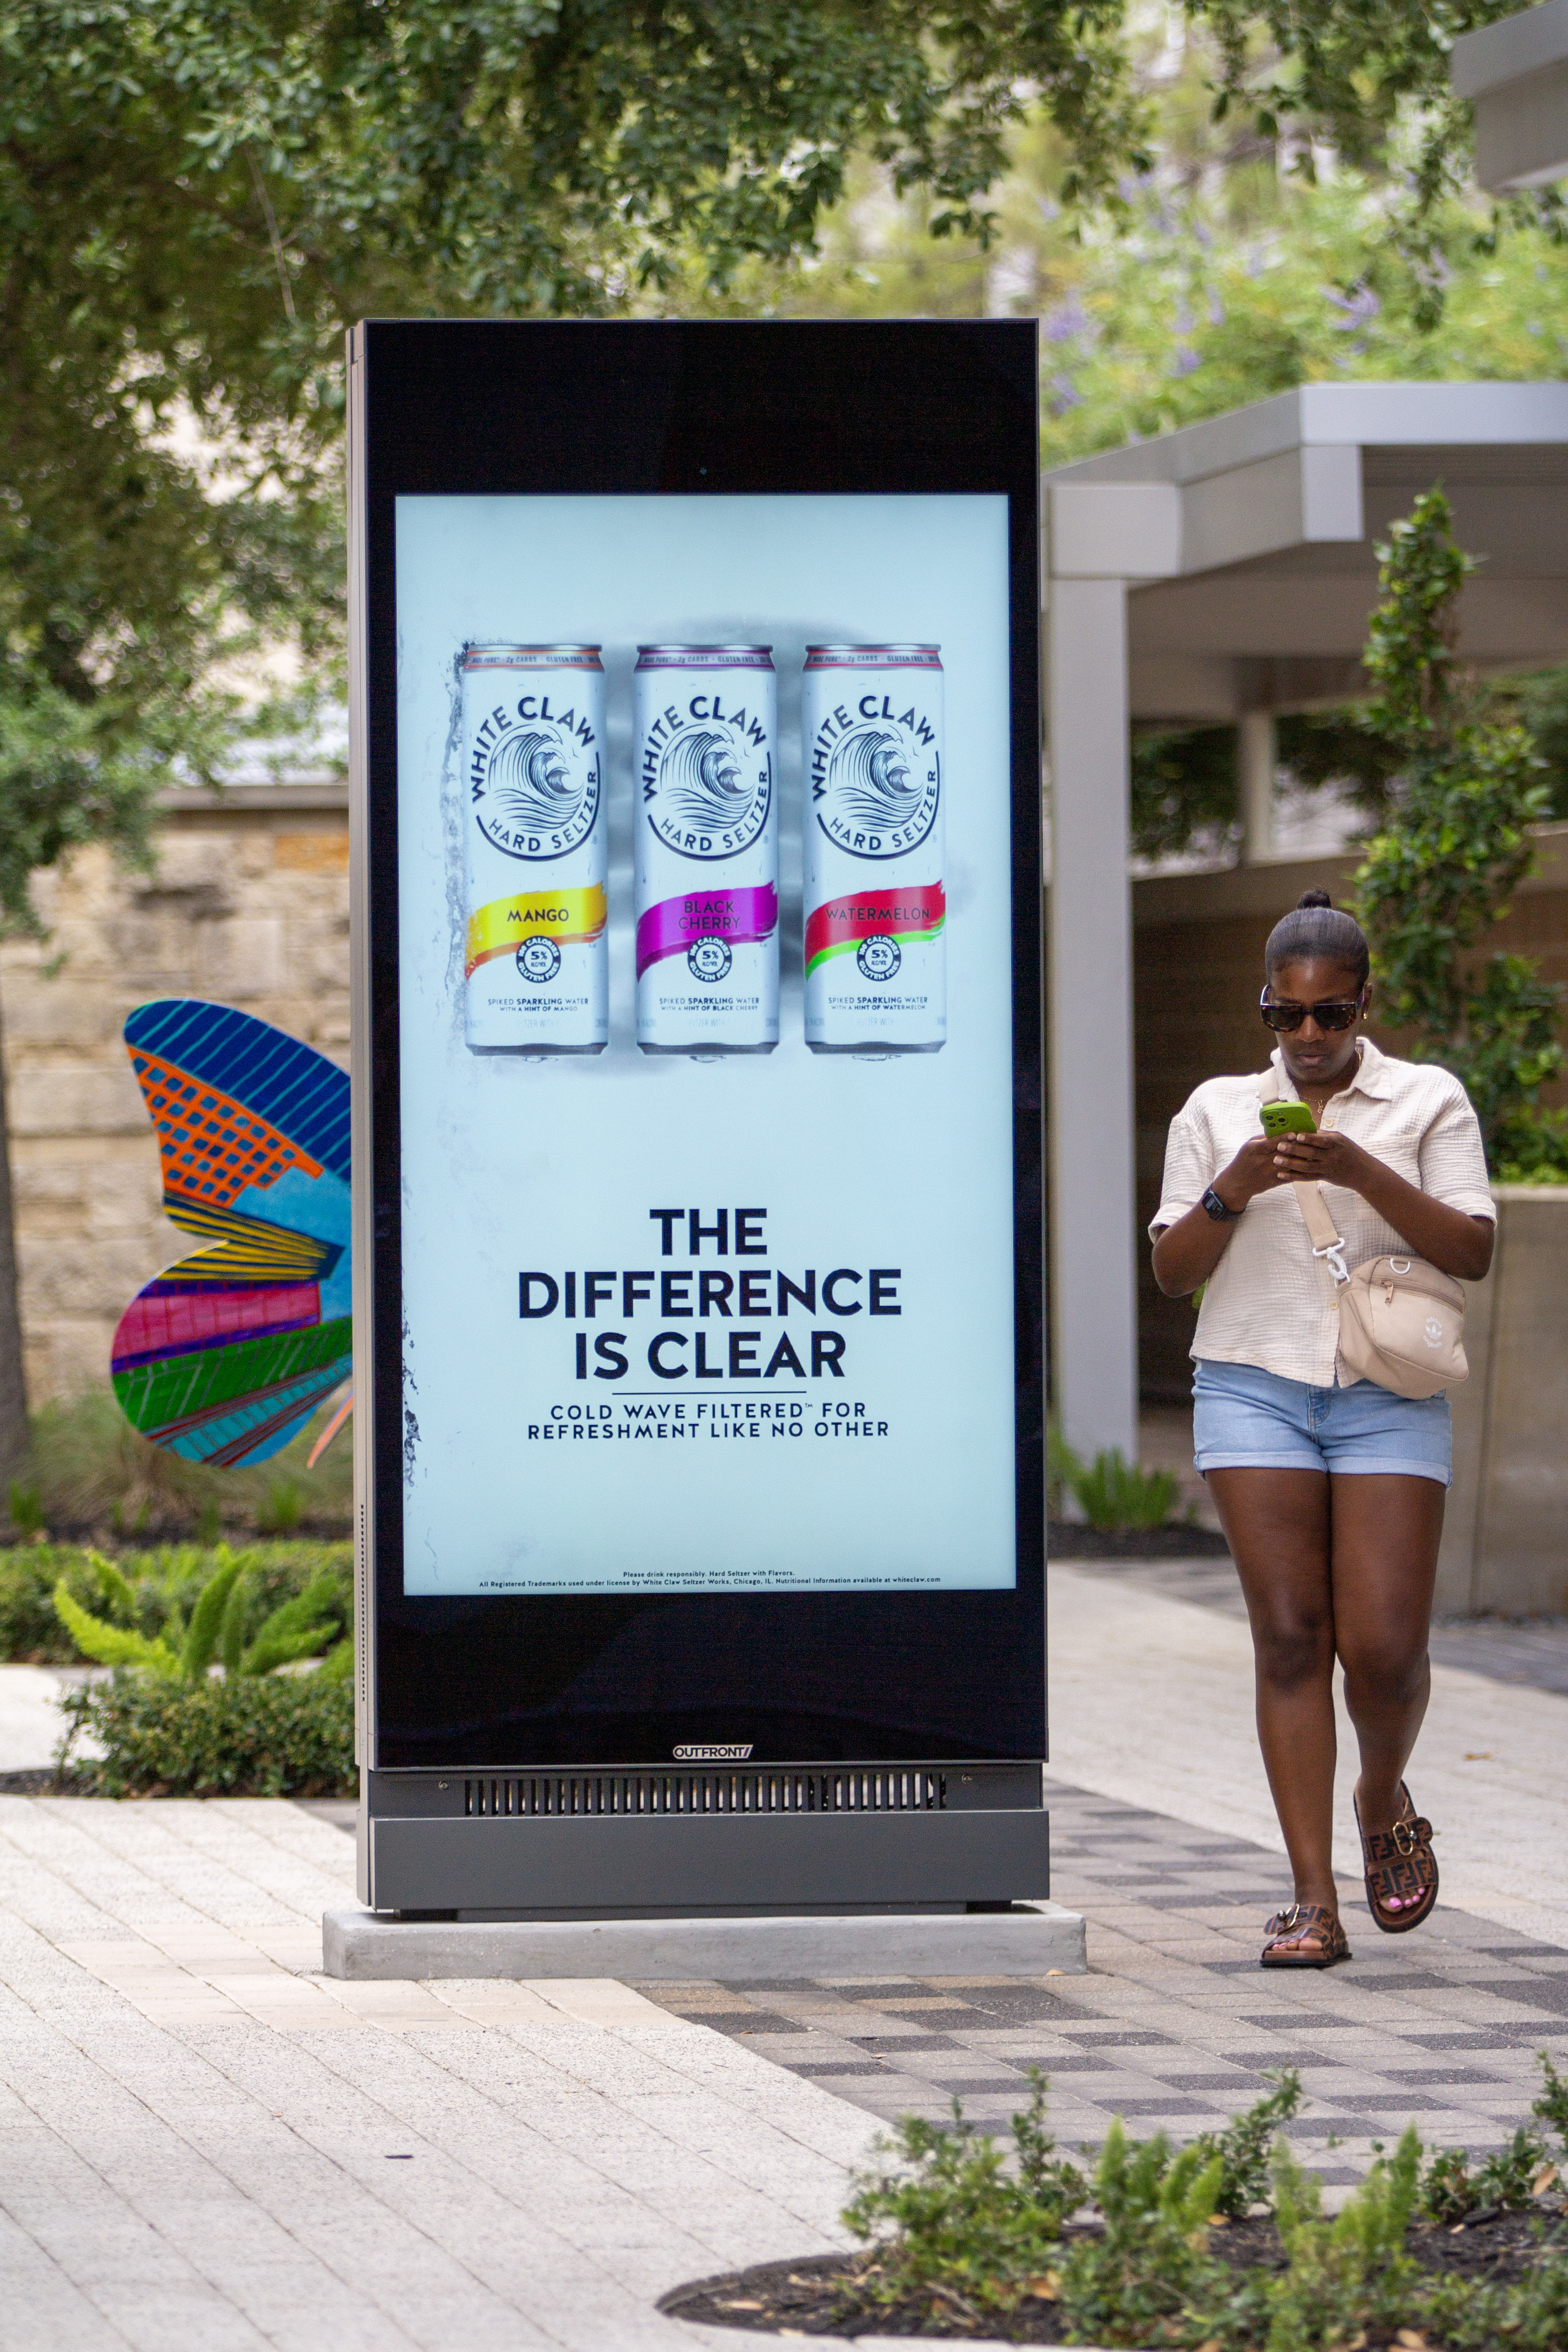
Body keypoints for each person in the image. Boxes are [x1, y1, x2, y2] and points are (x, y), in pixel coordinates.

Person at [1149, 890, 1496, 1968]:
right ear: (1264, 1008)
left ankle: (1380, 1793)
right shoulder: (1215, 1112)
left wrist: (1354, 1166)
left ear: (1361, 1006)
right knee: (1291, 1635)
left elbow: (1471, 1249)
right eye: (1285, 1017)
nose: (1306, 1038)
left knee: (1384, 1651)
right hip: (1252, 1387)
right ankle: (1311, 1900)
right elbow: (1170, 1273)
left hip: (1385, 1392)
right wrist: (1231, 1188)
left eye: (1329, 1016)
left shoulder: (1425, 1100)